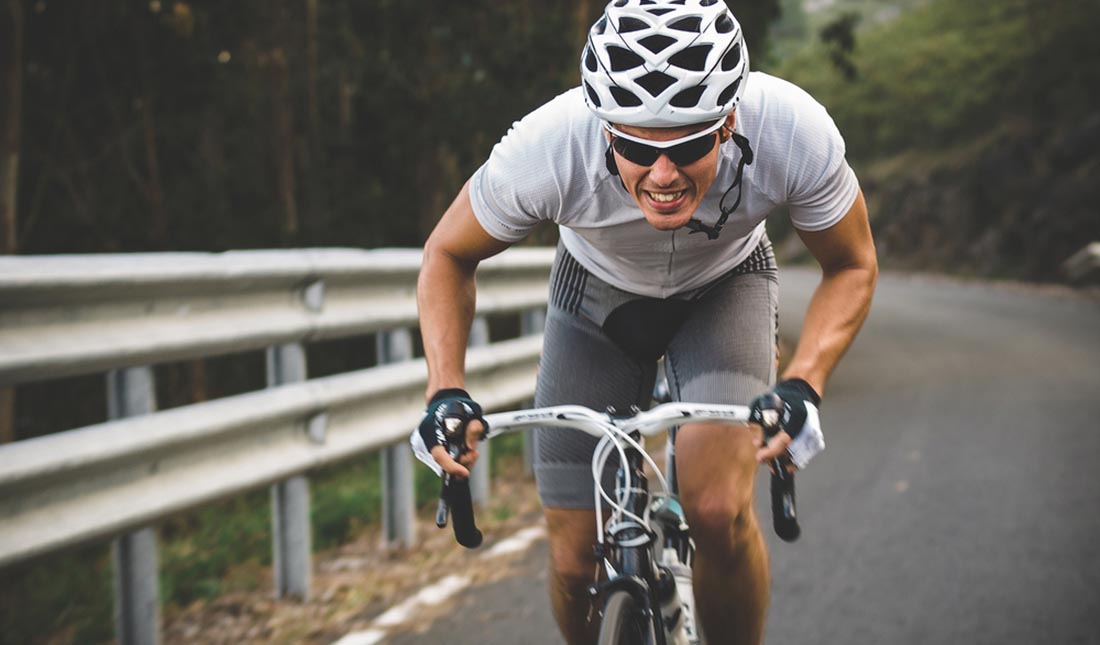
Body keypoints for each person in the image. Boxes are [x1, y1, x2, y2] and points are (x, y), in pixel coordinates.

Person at [412, 1, 877, 643]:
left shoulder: (791, 130)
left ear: (728, 122)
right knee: (574, 561)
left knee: (717, 512)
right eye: (636, 146)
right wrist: (445, 387)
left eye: (687, 146)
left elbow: (851, 265)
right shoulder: (549, 147)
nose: (662, 175)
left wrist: (803, 380)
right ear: (604, 130)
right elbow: (447, 253)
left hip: (727, 285)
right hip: (594, 299)